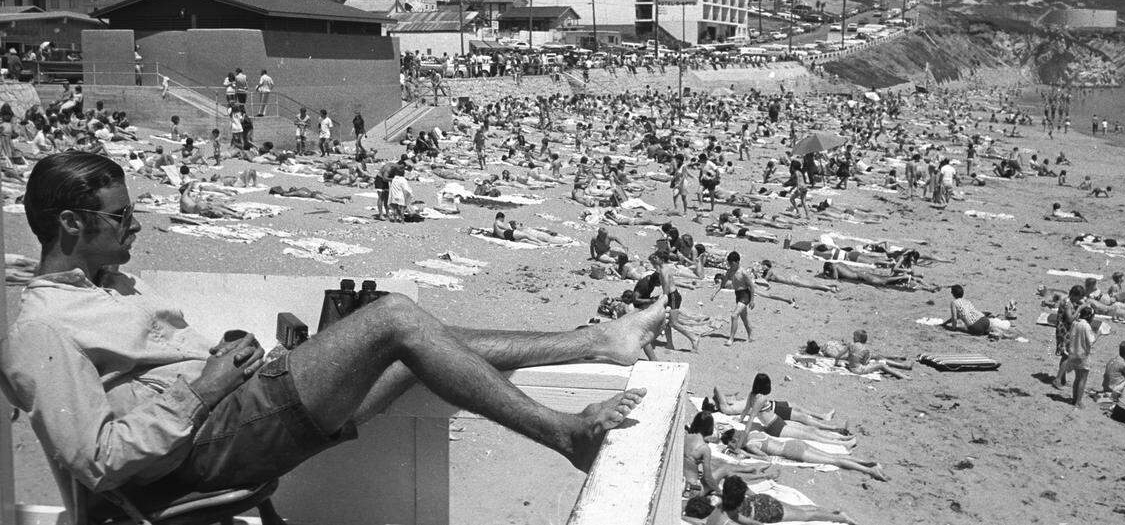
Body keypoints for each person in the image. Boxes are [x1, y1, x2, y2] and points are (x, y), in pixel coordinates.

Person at [3, 151, 664, 507]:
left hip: (236, 410)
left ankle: (598, 340)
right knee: (394, 316)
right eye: (121, 218)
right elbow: (99, 460)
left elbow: (156, 363)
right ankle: (564, 432)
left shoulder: (108, 284)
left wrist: (223, 359)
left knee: (413, 349)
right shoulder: (42, 328)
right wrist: (204, 388)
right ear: (70, 225)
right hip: (208, 443)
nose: (136, 226)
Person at [720, 429, 888, 482]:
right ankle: (869, 463)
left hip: (794, 451)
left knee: (835, 460)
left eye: (733, 444)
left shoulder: (750, 445)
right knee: (833, 455)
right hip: (794, 443)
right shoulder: (754, 433)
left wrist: (743, 453)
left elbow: (765, 458)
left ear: (735, 440)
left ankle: (870, 471)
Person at [712, 373, 846, 432]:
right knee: (801, 415)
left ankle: (822, 417)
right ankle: (824, 419)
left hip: (770, 407)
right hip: (771, 408)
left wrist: (729, 400)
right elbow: (717, 388)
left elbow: (747, 408)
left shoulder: (731, 404)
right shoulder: (725, 409)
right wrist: (721, 399)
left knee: (798, 410)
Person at [683, 413, 776, 499]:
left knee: (720, 468)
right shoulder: (703, 448)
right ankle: (756, 487)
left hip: (686, 486)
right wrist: (720, 492)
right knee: (725, 469)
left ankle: (754, 471)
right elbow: (708, 478)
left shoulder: (685, 438)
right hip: (695, 490)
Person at [704, 475, 858, 524]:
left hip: (765, 511)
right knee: (803, 508)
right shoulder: (723, 503)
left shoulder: (728, 516)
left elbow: (751, 522)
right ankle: (833, 512)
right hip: (759, 500)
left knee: (806, 516)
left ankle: (841, 518)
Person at [1056, 306, 1097, 408]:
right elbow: (1091, 341)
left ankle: (1075, 399)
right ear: (1089, 316)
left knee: (1077, 378)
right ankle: (1078, 401)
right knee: (1082, 379)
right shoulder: (1086, 326)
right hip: (1083, 356)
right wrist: (1100, 334)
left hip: (1073, 353)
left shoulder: (1075, 323)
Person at [712, 251, 757, 347]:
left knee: (734, 315)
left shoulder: (743, 272)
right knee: (744, 318)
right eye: (729, 263)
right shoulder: (730, 271)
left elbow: (752, 286)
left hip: (745, 295)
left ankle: (731, 339)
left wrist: (752, 300)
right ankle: (751, 335)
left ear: (737, 262)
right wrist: (714, 293)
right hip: (738, 295)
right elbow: (723, 283)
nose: (730, 265)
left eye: (732, 263)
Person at [1052, 285, 1084, 390]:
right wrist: (1079, 309)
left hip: (1063, 330)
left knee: (1065, 355)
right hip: (1065, 331)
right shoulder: (1068, 304)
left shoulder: (1066, 300)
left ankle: (1062, 379)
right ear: (1075, 295)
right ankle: (1058, 379)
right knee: (1066, 356)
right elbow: (1070, 319)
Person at [845, 329, 911, 379]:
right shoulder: (863, 348)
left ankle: (902, 365)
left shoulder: (851, 345)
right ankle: (903, 373)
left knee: (877, 357)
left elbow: (844, 356)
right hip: (859, 368)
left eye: (854, 336)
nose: (852, 337)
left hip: (855, 366)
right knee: (880, 363)